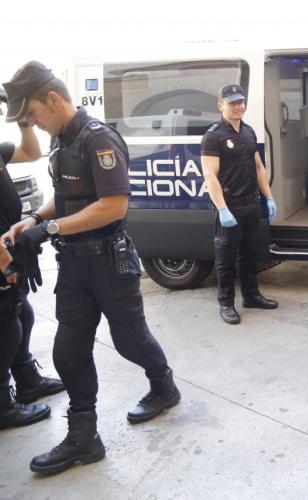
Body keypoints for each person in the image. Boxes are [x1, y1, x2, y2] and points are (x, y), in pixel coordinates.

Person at [2, 61, 180, 475]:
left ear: (52, 99)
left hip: (109, 263)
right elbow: (67, 196)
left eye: (33, 115)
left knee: (130, 341)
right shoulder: (62, 139)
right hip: (74, 266)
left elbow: (114, 205)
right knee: (68, 349)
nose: (34, 124)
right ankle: (84, 437)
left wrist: (50, 228)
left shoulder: (98, 137)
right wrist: (34, 220)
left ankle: (163, 384)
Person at [0, 89, 64, 429]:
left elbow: (31, 152)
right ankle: (2, 406)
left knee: (21, 312)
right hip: (0, 255)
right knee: (6, 325)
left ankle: (27, 381)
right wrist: (4, 263)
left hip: (8, 245)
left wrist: (23, 120)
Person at [201, 84, 278, 325]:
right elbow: (210, 176)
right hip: (230, 206)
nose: (238, 106)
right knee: (226, 259)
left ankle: (251, 296)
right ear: (220, 105)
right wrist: (222, 209)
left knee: (250, 254)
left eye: (241, 101)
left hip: (250, 203)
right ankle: (226, 304)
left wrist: (269, 197)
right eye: (232, 102)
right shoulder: (213, 136)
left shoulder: (248, 132)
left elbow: (259, 167)